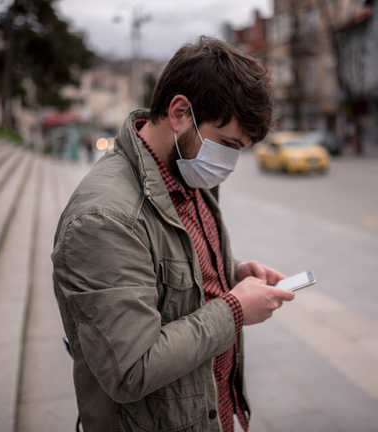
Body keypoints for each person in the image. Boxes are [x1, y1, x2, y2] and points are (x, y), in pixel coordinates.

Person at [51, 36, 295, 432]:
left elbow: (170, 264)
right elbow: (129, 370)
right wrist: (234, 309)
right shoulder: (104, 219)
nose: (229, 163)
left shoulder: (185, 171)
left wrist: (229, 274)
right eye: (228, 144)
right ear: (180, 112)